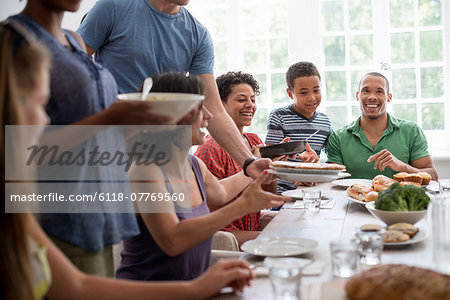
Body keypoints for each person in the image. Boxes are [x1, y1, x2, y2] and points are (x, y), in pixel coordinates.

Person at [0, 22, 253, 300]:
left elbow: (77, 286)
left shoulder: (21, 219)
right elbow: (172, 239)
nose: (47, 119)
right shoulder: (144, 168)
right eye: (39, 106)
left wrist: (254, 166)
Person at [7, 0, 172, 277]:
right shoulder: (14, 41)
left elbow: (93, 129)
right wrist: (108, 119)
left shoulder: (73, 40)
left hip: (100, 212)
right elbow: (14, 150)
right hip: (57, 218)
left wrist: (135, 124)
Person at [116, 73, 288, 281]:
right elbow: (173, 240)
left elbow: (222, 193)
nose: (208, 115)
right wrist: (243, 205)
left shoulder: (194, 165)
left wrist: (252, 171)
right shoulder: (145, 170)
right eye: (199, 107)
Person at [77, 0, 270, 179]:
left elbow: (213, 108)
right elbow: (70, 69)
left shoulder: (198, 34)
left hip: (162, 154)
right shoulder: (113, 7)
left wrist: (248, 162)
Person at [194, 71, 284, 246]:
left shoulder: (254, 140)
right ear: (219, 105)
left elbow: (268, 194)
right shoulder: (210, 149)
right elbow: (211, 207)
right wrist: (252, 168)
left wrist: (272, 167)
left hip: (249, 228)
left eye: (253, 100)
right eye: (241, 100)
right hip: (224, 235)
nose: (250, 105)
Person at [326, 72, 438, 180]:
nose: (372, 97)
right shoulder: (338, 138)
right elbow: (331, 181)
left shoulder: (411, 131)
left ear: (389, 97)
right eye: (366, 91)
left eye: (379, 92)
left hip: (399, 199)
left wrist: (402, 167)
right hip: (353, 199)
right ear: (357, 96)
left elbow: (433, 176)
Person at [265, 61, 331, 194]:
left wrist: (315, 167)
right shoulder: (279, 116)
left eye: (316, 90)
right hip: (282, 192)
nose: (311, 97)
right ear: (290, 94)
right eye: (303, 93)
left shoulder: (325, 122)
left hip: (312, 191)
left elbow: (332, 159)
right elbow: (269, 161)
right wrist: (296, 178)